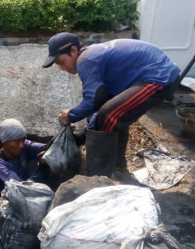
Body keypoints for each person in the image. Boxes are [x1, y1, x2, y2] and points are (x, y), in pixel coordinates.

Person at [42, 32, 180, 177]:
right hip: (154, 74)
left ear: (73, 51)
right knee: (112, 113)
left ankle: (99, 175)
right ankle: (117, 167)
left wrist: (70, 115)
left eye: (61, 62)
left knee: (109, 115)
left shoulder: (85, 60)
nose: (62, 68)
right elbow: (99, 101)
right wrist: (87, 132)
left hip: (160, 76)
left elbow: (94, 99)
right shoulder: (91, 56)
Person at [0, 118, 49, 197]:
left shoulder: (24, 146)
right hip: (7, 203)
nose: (21, 145)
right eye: (17, 142)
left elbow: (49, 148)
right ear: (5, 141)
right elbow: (22, 188)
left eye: (23, 140)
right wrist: (41, 169)